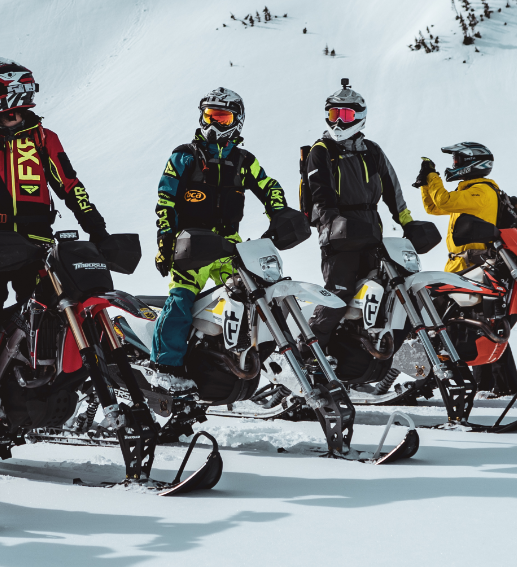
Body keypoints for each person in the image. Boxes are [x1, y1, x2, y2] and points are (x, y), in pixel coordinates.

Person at [0, 59, 108, 406]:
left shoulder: (44, 138)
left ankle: (41, 384)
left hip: (40, 243)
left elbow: (70, 186)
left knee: (52, 313)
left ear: (14, 92)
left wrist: (98, 229)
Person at [149, 87, 303, 377]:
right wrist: (165, 240)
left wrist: (280, 213)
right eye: (208, 116)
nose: (213, 124)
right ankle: (165, 368)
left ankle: (270, 365)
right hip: (190, 243)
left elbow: (268, 186)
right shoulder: (184, 156)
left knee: (256, 295)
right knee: (181, 299)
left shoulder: (244, 160)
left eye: (221, 117)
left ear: (237, 120)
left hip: (230, 245)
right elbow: (165, 199)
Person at [303, 79, 414, 351]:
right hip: (339, 234)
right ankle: (311, 352)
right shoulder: (322, 151)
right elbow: (320, 191)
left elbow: (392, 188)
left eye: (346, 115)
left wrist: (407, 221)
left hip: (371, 232)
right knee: (339, 293)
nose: (339, 122)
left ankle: (364, 352)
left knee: (382, 291)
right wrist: (331, 221)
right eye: (334, 115)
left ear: (359, 117)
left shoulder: (372, 151)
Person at [414, 141, 517, 395]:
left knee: (478, 324)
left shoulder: (480, 191)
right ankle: (483, 383)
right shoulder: (470, 190)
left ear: (472, 164)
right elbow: (434, 206)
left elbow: (442, 200)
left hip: (476, 262)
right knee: (465, 324)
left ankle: (499, 384)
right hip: (460, 263)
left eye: (457, 162)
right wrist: (424, 184)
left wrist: (432, 176)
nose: (454, 166)